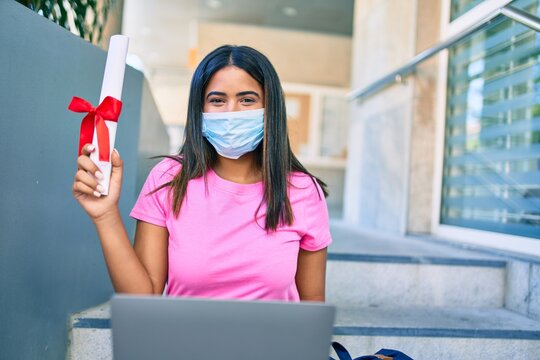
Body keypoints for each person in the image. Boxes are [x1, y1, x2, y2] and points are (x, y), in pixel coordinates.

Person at [72, 45, 332, 302]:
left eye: (247, 100)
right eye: (217, 100)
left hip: (274, 344)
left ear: (270, 109)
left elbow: (312, 308)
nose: (231, 112)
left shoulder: (303, 191)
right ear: (200, 110)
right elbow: (144, 297)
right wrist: (105, 215)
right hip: (185, 343)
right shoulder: (169, 179)